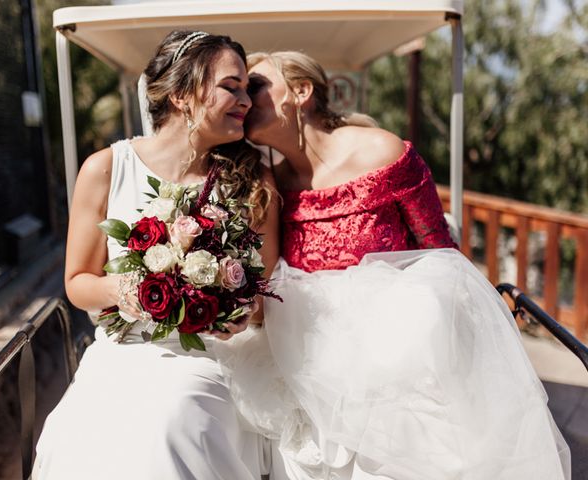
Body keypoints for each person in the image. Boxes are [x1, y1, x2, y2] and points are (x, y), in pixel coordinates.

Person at [216, 51, 570, 480]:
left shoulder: (382, 152)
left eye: (255, 86)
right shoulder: (272, 182)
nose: (245, 99)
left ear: (302, 92)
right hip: (307, 352)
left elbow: (441, 252)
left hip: (399, 352)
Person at [32, 31, 279, 480]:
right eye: (232, 86)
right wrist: (125, 287)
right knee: (74, 438)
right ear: (184, 94)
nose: (246, 99)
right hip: (122, 352)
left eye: (247, 88)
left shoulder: (252, 182)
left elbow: (263, 297)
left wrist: (239, 310)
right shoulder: (105, 168)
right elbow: (77, 284)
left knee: (171, 423)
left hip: (209, 358)